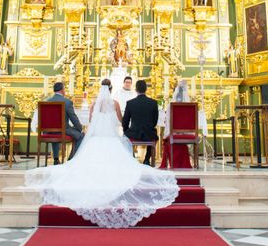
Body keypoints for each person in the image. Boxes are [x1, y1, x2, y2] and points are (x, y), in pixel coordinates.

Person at [25, 81, 178, 228]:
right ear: (111, 89)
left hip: (95, 137)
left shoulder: (94, 104)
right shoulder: (115, 103)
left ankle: (64, 159)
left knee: (85, 148)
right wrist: (119, 128)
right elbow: (120, 119)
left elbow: (91, 120)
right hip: (112, 137)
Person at [122, 80, 159, 166]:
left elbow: (125, 121)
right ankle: (146, 159)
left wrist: (126, 131)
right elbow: (155, 120)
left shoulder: (130, 103)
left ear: (136, 90)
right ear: (146, 89)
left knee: (125, 137)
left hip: (134, 132)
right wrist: (149, 127)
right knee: (154, 134)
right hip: (148, 133)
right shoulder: (153, 103)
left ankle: (132, 158)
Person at [46, 82, 84, 164]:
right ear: (62, 90)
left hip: (49, 131)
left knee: (54, 131)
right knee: (81, 136)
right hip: (63, 130)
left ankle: (56, 159)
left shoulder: (47, 101)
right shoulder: (67, 102)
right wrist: (80, 128)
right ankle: (71, 160)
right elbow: (73, 117)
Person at [159, 80, 193, 169]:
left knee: (167, 140)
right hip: (185, 134)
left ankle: (170, 163)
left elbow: (168, 122)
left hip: (173, 134)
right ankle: (194, 163)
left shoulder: (171, 106)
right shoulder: (190, 106)